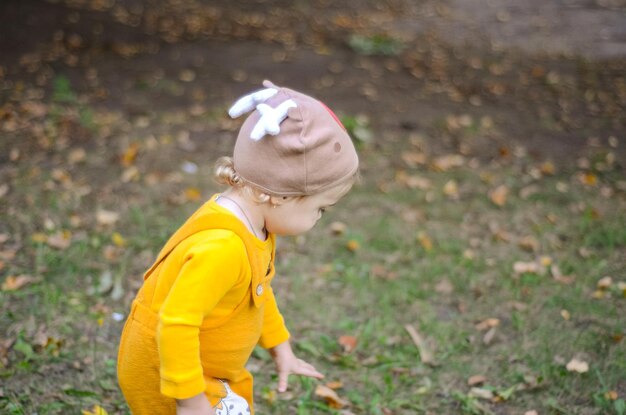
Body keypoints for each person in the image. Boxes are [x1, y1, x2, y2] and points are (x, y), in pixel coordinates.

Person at [117, 80, 359, 415]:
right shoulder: (223, 248)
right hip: (171, 377)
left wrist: (280, 348)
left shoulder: (253, 224)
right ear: (277, 195)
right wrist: (190, 401)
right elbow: (176, 323)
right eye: (320, 208)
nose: (319, 219)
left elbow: (256, 294)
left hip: (202, 373)